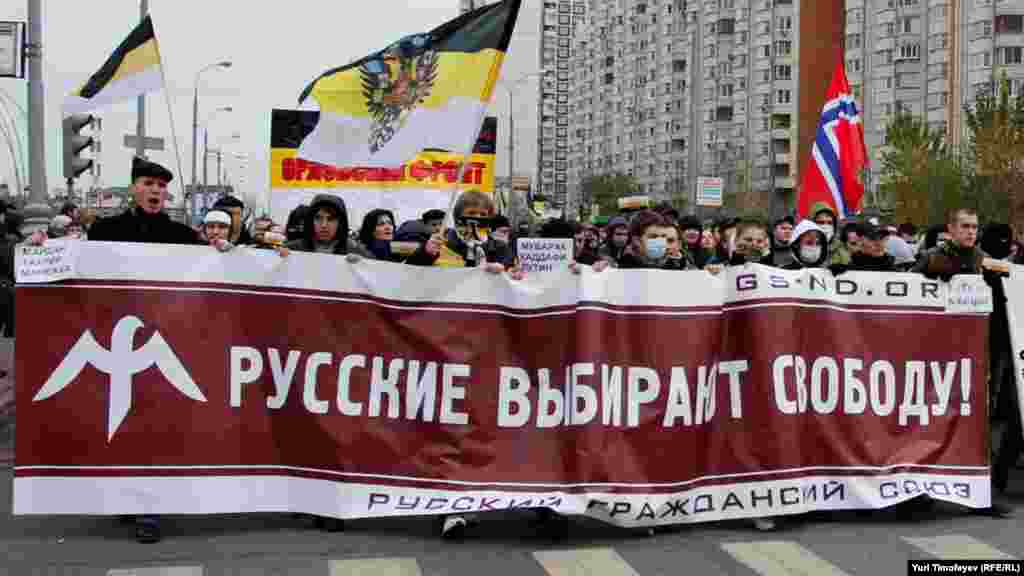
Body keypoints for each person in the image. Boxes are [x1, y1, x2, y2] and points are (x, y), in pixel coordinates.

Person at [87, 158, 200, 246]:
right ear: (132, 189)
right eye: (148, 183)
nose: (155, 190)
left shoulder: (184, 235)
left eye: (162, 185)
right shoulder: (104, 231)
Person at [406, 190, 511, 271]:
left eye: (483, 214)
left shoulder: (499, 248)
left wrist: (508, 272)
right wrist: (426, 252)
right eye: (471, 213)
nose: (477, 218)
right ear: (457, 217)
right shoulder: (440, 242)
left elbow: (512, 274)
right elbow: (410, 271)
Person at [286, 194, 356, 257]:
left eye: (331, 219)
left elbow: (366, 265)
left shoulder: (353, 250)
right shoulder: (293, 248)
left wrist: (361, 265)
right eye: (318, 218)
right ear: (311, 221)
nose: (324, 225)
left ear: (340, 223)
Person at [617, 210, 690, 270]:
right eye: (653, 237)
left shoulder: (677, 265)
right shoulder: (620, 268)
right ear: (637, 241)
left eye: (663, 237)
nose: (660, 242)